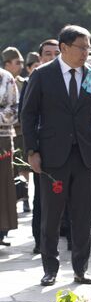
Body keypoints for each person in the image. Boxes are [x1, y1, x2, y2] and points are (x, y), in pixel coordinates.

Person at [21, 25, 91, 286]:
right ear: (64, 48)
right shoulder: (42, 75)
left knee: (83, 215)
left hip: (85, 155)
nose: (87, 52)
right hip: (52, 156)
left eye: (89, 47)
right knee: (51, 215)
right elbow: (28, 115)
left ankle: (81, 268)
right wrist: (32, 151)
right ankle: (50, 268)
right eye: (82, 47)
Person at [20, 39, 61, 254]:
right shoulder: (35, 79)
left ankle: (68, 238)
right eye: (47, 53)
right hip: (44, 149)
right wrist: (32, 149)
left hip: (69, 148)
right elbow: (26, 116)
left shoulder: (73, 76)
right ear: (40, 56)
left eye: (56, 52)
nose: (52, 57)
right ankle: (40, 240)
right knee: (42, 199)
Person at [2, 47, 29, 212]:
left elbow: (16, 109)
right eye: (16, 62)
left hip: (7, 135)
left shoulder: (9, 79)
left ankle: (2, 230)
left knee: (12, 175)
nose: (21, 65)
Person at [0, 68, 19, 247]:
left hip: (2, 137)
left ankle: (1, 231)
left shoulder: (5, 77)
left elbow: (14, 108)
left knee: (2, 184)